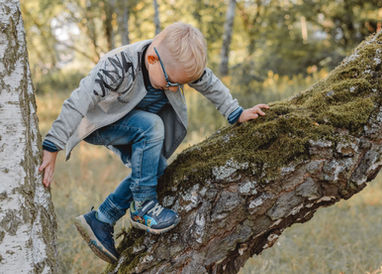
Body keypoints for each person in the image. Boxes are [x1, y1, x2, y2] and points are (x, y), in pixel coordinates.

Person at [38, 22, 269, 264]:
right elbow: (78, 100)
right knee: (151, 126)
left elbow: (209, 83)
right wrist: (53, 144)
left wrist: (236, 112)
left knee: (155, 168)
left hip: (135, 125)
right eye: (170, 82)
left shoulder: (171, 64)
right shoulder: (118, 65)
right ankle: (144, 207)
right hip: (100, 123)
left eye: (180, 84)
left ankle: (102, 218)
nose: (174, 88)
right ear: (151, 59)